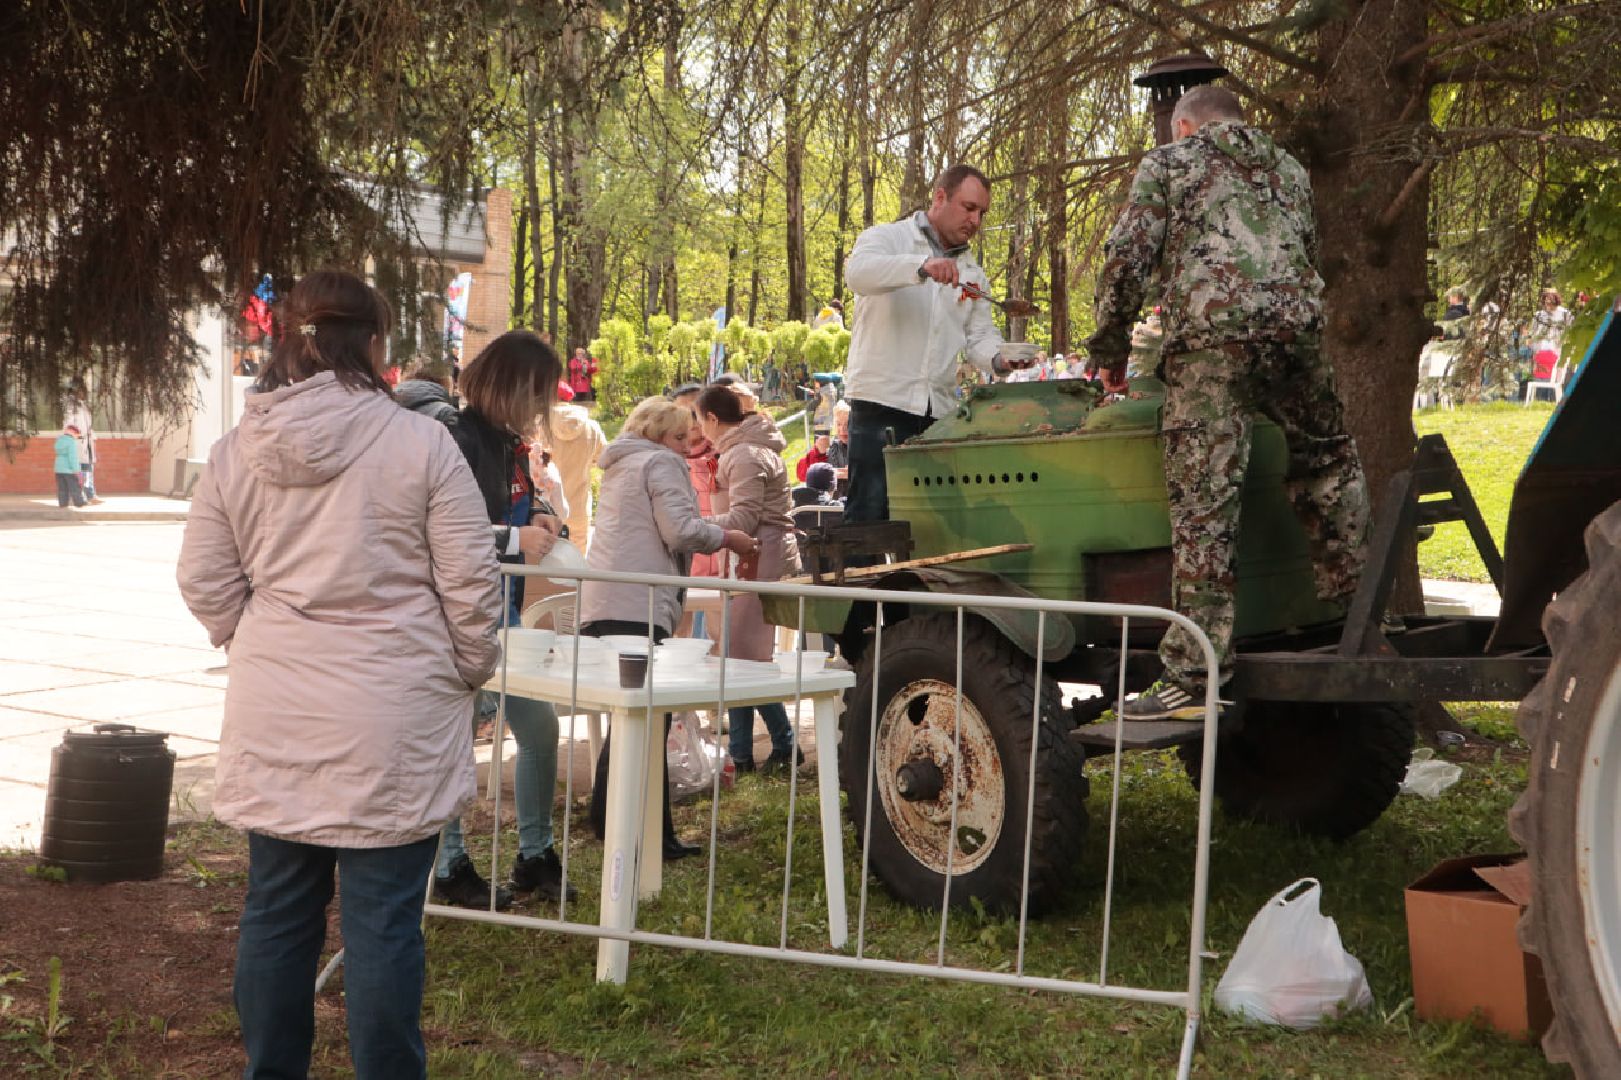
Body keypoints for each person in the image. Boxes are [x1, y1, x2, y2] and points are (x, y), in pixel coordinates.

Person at [177, 269, 502, 1078]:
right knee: (384, 922)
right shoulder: (422, 443)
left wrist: (258, 643)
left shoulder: (232, 451)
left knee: (277, 911)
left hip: (279, 706)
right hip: (392, 713)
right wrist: (462, 672)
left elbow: (204, 580)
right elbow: (471, 586)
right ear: (374, 343)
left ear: (288, 340)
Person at [1085, 84, 1370, 721]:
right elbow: (1307, 256)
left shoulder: (1168, 162)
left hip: (1214, 345)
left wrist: (1108, 348)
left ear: (1183, 125)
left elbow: (1127, 259)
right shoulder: (1288, 167)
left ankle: (1193, 672)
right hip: (1298, 335)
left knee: (1204, 499)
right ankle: (1354, 616)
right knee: (1328, 461)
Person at [430, 330, 575, 909]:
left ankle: (534, 855)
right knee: (455, 745)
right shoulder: (456, 440)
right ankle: (447, 864)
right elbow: (440, 536)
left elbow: (521, 504)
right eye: (539, 393)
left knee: (540, 731)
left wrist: (540, 516)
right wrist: (515, 538)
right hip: (458, 621)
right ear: (515, 387)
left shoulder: (509, 441)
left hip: (504, 619)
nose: (544, 409)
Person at [580, 397, 757, 852]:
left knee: (628, 719)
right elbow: (679, 531)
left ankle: (611, 821)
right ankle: (655, 835)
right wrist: (726, 536)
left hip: (604, 601)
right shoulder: (661, 464)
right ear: (658, 435)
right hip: (638, 604)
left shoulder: (620, 465)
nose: (685, 447)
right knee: (647, 720)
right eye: (679, 437)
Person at [843, 164, 1027, 523]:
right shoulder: (887, 238)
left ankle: (919, 581)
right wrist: (921, 266)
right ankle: (859, 581)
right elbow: (858, 274)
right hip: (881, 401)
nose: (975, 220)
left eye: (982, 213)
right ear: (940, 197)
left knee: (930, 521)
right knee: (868, 516)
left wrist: (1001, 360)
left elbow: (979, 337)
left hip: (937, 412)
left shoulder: (972, 272)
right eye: (969, 207)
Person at [695, 385, 804, 772]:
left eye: (698, 420)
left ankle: (761, 749)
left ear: (711, 418)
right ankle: (753, 749)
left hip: (761, 556)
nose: (698, 429)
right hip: (753, 555)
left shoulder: (743, 454)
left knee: (741, 660)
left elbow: (743, 518)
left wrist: (693, 526)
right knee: (739, 658)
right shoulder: (746, 449)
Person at [547, 392, 606, 545]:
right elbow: (605, 460)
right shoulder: (592, 427)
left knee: (545, 561)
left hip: (548, 508)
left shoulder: (540, 426)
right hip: (579, 507)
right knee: (578, 561)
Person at [62, 380, 99, 504]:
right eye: (80, 390)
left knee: (88, 470)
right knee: (77, 471)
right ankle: (78, 496)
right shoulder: (70, 407)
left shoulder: (84, 406)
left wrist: (92, 438)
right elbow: (68, 426)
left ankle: (91, 495)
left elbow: (89, 425)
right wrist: (77, 437)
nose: (82, 393)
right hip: (77, 443)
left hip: (87, 443)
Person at [53, 422, 86, 507]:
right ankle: (79, 502)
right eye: (77, 435)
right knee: (74, 487)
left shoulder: (59, 441)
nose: (76, 438)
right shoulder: (71, 442)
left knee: (62, 488)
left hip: (58, 469)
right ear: (73, 433)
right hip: (69, 470)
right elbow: (73, 457)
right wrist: (77, 471)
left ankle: (63, 504)